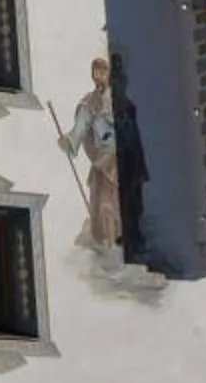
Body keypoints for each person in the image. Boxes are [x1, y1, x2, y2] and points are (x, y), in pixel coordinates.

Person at [60, 55, 146, 261]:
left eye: (101, 71)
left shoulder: (122, 102)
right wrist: (71, 140)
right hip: (103, 157)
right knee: (103, 201)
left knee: (121, 200)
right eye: (94, 71)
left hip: (123, 157)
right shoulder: (89, 103)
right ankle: (108, 242)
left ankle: (124, 238)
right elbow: (81, 126)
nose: (97, 75)